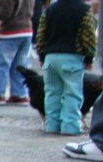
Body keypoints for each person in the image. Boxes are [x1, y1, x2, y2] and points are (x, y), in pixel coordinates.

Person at [35, 0, 97, 134]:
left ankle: (51, 125)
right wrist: (89, 57)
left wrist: (41, 55)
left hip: (50, 57)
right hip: (71, 58)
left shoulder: (50, 9)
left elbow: (40, 34)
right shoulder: (84, 10)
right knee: (72, 94)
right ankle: (70, 126)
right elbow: (89, 36)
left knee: (52, 93)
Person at [0, 0, 36, 103]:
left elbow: (6, 13)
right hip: (27, 31)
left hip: (11, 32)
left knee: (2, 65)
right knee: (20, 65)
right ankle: (19, 94)